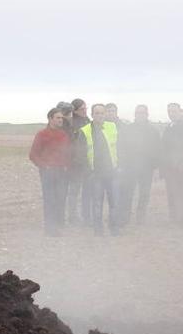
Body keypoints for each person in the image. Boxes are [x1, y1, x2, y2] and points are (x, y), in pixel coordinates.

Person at [80, 103, 122, 235]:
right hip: (96, 173)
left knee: (114, 202)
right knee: (97, 203)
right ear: (92, 115)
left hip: (112, 172)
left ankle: (114, 228)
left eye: (102, 113)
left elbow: (120, 147)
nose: (99, 115)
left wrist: (120, 166)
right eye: (96, 113)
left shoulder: (112, 126)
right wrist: (88, 172)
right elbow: (80, 154)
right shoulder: (85, 130)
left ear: (105, 114)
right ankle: (98, 230)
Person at [28, 107, 71, 236]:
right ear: (50, 119)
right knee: (50, 199)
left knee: (60, 199)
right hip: (48, 172)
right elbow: (33, 154)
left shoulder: (64, 135)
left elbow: (68, 153)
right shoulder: (42, 134)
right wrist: (44, 166)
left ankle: (58, 226)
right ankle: (50, 229)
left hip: (61, 172)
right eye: (57, 118)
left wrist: (67, 165)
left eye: (61, 118)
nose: (60, 120)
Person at [126, 104, 161, 223]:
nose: (140, 115)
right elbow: (122, 147)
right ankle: (126, 216)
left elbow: (157, 149)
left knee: (144, 193)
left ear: (147, 114)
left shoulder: (153, 131)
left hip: (147, 168)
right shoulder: (128, 129)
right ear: (135, 114)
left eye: (142, 113)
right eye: (138, 113)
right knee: (129, 192)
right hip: (130, 167)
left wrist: (155, 167)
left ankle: (140, 217)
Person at [65, 98, 91, 225]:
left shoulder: (87, 121)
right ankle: (72, 216)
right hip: (75, 164)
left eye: (86, 108)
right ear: (74, 110)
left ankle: (86, 215)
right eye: (82, 109)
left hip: (88, 162)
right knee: (74, 191)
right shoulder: (71, 123)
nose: (85, 110)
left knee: (87, 191)